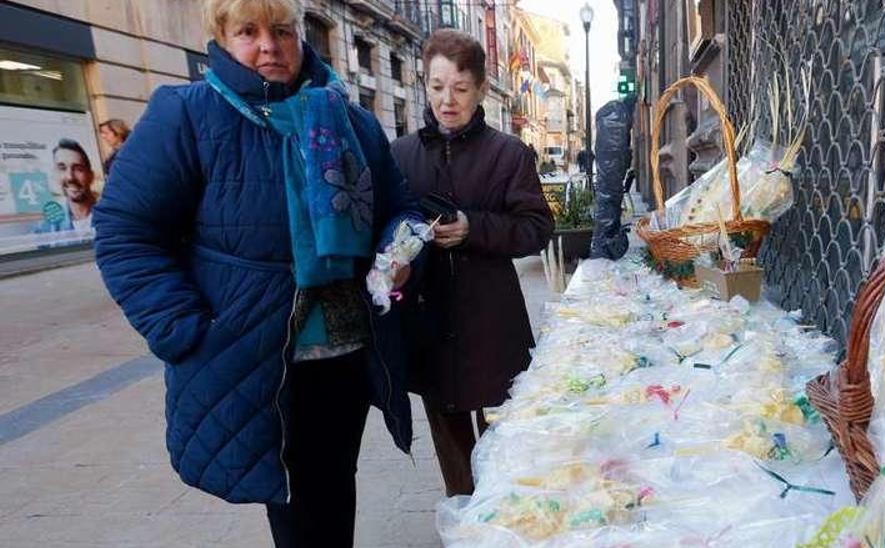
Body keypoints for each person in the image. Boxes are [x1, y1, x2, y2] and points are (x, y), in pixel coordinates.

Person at [93, 1, 421, 546]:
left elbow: (401, 208)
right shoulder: (188, 114)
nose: (270, 45)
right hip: (256, 354)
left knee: (334, 487)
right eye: (249, 31)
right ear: (221, 39)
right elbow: (126, 231)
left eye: (283, 31)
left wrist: (399, 252)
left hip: (344, 351)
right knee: (292, 504)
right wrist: (185, 330)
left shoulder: (350, 119)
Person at [390, 29, 553, 496]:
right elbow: (386, 228)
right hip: (430, 328)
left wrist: (474, 229)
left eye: (460, 89)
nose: (448, 100)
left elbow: (535, 228)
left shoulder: (509, 154)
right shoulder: (401, 155)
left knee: (505, 455)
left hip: (493, 328)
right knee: (455, 463)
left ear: (480, 90)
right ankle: (462, 529)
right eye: (437, 86)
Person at [52, 139, 97, 231]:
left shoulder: (113, 216)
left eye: (78, 169)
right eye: (62, 168)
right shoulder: (48, 228)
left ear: (91, 176)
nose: (70, 177)